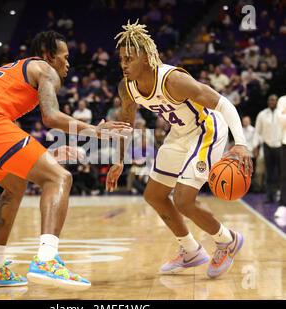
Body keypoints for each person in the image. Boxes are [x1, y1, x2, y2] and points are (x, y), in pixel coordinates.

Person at [0, 30, 131, 289]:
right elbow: (51, 118)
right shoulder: (45, 69)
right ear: (48, 55)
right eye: (64, 57)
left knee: (15, 186)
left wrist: (47, 154)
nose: (68, 64)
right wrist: (96, 131)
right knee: (59, 177)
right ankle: (47, 260)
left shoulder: (16, 71)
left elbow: (5, 129)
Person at [107, 21, 252, 278]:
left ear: (147, 57)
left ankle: (227, 239)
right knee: (154, 195)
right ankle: (191, 250)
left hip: (207, 130)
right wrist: (119, 160)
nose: (123, 64)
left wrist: (240, 143)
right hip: (180, 134)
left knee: (184, 200)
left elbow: (223, 103)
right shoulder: (127, 87)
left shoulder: (173, 79)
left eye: (129, 58)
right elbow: (125, 125)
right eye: (121, 59)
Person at [254, 95, 282, 203]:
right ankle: (270, 196)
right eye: (270, 100)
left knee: (281, 173)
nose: (272, 101)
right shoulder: (262, 114)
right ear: (267, 101)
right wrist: (256, 146)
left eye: (274, 100)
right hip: (267, 145)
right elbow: (257, 131)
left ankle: (281, 196)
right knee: (269, 172)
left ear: (277, 102)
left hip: (280, 146)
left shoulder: (282, 113)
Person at [275, 95, 286, 223]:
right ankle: (283, 205)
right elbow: (281, 120)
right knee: (284, 176)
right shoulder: (283, 100)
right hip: (285, 142)